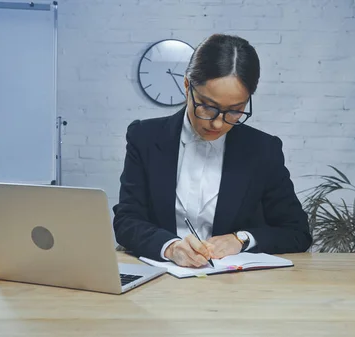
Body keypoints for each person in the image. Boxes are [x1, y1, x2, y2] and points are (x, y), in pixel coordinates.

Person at [112, 33, 311, 268]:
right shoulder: (144, 137)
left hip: (235, 287)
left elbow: (297, 232)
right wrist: (171, 247)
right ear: (187, 86)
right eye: (207, 107)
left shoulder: (263, 150)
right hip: (160, 278)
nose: (217, 123)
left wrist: (241, 239)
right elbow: (127, 221)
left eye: (235, 111)